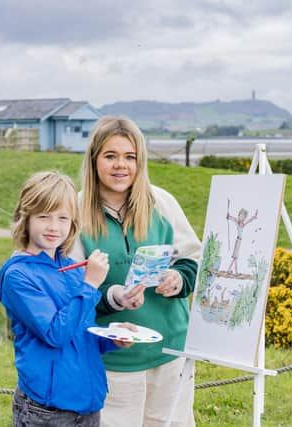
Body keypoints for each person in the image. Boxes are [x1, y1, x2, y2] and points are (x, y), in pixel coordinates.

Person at [71, 116, 202, 427]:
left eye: (130, 157)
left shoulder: (161, 203)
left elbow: (193, 258)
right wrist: (113, 299)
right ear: (94, 160)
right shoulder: (75, 211)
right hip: (112, 355)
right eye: (111, 156)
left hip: (170, 349)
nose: (121, 166)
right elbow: (71, 287)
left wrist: (179, 279)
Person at [0, 171, 134, 427]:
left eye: (63, 218)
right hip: (47, 411)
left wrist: (112, 338)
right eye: (43, 216)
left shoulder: (72, 269)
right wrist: (91, 283)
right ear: (24, 218)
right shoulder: (18, 276)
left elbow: (79, 332)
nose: (53, 226)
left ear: (73, 222)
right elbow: (55, 333)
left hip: (87, 404)